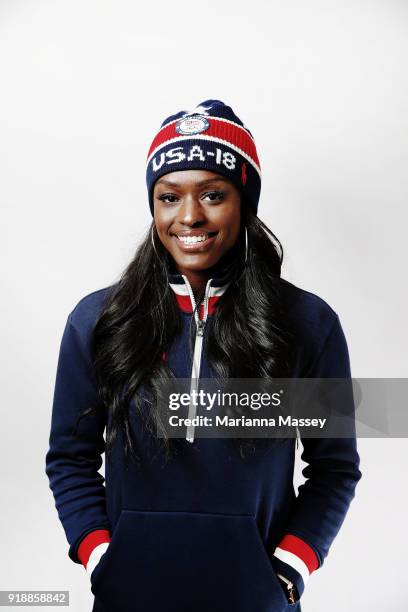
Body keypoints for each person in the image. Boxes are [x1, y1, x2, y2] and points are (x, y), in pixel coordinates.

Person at [45, 99, 362, 612]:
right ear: (154, 206)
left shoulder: (307, 324)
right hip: (130, 598)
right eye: (169, 197)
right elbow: (69, 458)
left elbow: (334, 468)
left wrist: (286, 573)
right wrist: (103, 558)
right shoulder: (99, 320)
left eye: (213, 194)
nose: (189, 216)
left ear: (245, 202)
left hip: (254, 600)